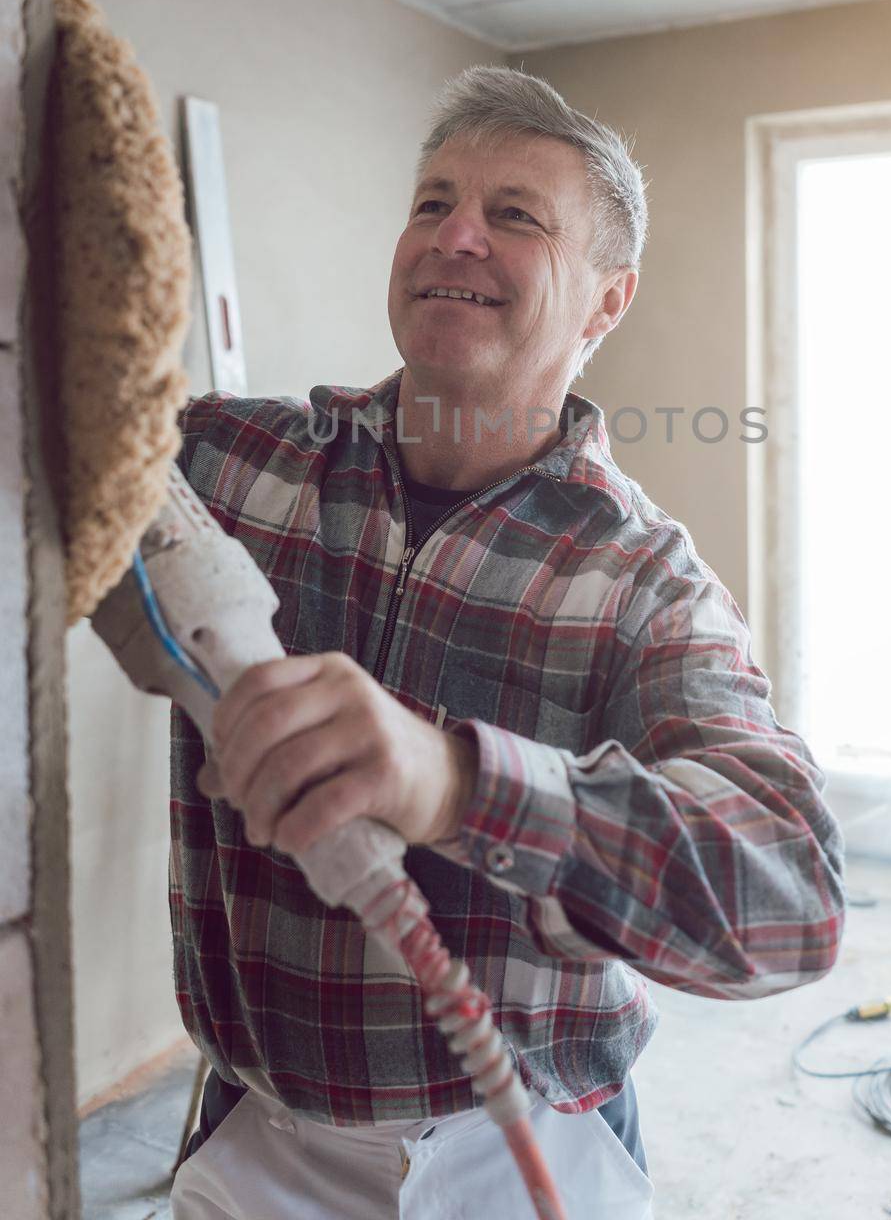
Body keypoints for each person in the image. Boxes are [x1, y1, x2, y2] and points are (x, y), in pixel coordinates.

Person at [168, 66, 845, 1220]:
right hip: (251, 1137)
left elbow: (787, 895)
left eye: (514, 215)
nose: (455, 236)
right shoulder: (230, 465)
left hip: (518, 1154)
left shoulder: (642, 582)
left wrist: (456, 782)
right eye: (432, 202)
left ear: (606, 301)